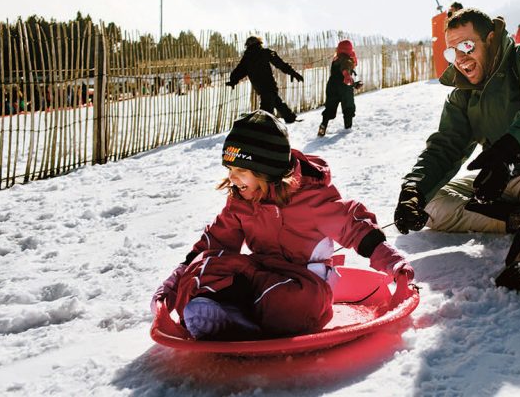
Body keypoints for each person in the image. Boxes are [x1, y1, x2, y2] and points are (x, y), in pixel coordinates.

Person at [151, 110, 414, 340]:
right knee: (203, 267)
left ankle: (240, 317)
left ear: (266, 170)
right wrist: (174, 284)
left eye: (240, 171)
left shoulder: (312, 199)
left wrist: (394, 264)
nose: (231, 177)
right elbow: (213, 242)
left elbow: (357, 229)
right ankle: (227, 314)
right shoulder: (241, 201)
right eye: (229, 169)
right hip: (262, 274)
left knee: (298, 301)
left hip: (301, 282)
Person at [393, 8, 520, 294]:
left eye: (466, 46)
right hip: (506, 180)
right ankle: (518, 217)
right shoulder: (462, 96)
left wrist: (507, 152)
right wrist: (414, 190)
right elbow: (445, 146)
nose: (461, 59)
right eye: (452, 52)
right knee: (433, 201)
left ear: (490, 39)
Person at [226, 36, 304, 124]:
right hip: (269, 86)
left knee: (272, 104)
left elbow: (239, 71)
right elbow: (280, 64)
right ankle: (278, 123)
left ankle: (288, 118)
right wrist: (293, 73)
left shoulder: (247, 58)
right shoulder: (265, 52)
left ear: (247, 46)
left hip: (260, 88)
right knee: (268, 109)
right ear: (259, 43)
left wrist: (233, 80)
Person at [317, 40, 363, 137]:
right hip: (344, 88)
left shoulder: (335, 60)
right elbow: (344, 68)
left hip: (332, 87)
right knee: (348, 108)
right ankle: (348, 128)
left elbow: (339, 76)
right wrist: (347, 75)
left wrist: (354, 84)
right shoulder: (346, 59)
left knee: (330, 109)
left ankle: (323, 125)